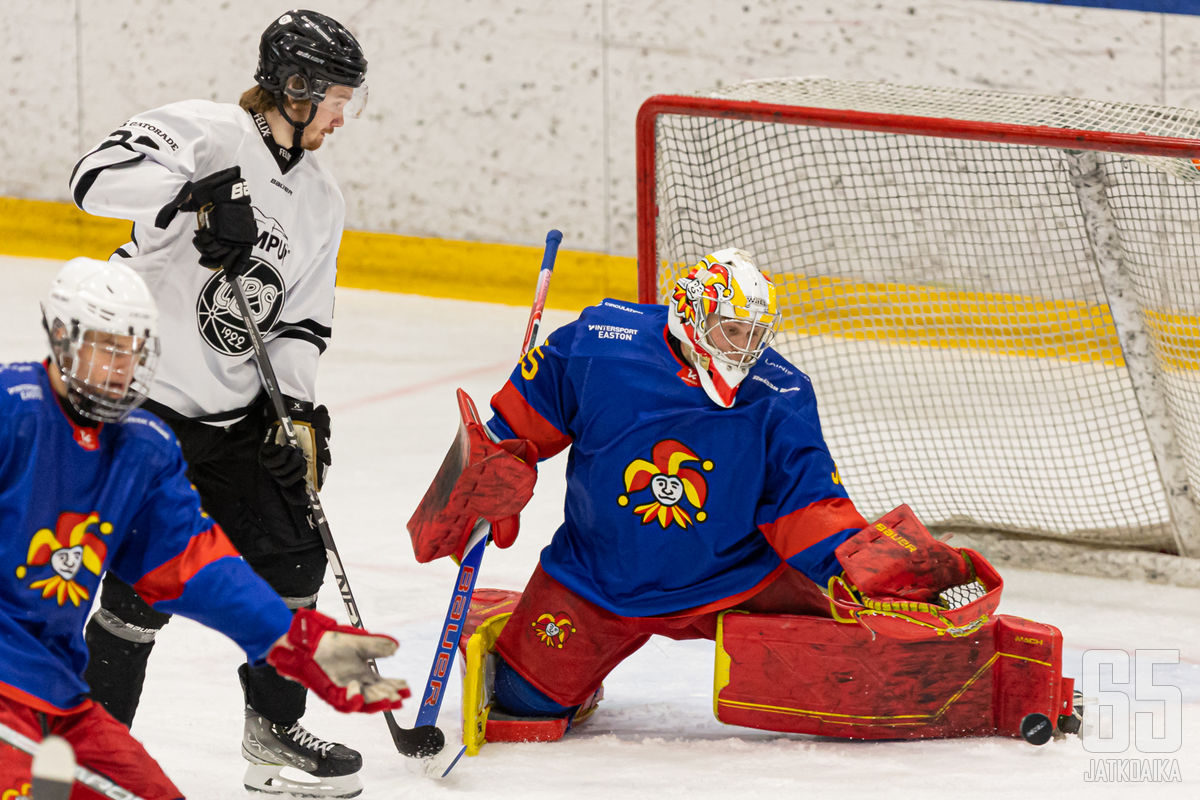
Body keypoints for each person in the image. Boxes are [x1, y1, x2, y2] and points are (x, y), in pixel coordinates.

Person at [409, 248, 993, 743]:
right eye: (731, 331)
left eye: (755, 335)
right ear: (689, 317)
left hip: (740, 582)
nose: (743, 350)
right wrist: (496, 466)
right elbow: (517, 423)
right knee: (524, 707)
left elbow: (806, 503)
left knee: (866, 673)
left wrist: (856, 570)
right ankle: (518, 625)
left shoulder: (778, 392)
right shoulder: (595, 346)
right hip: (598, 582)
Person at [68, 9, 374, 795]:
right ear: (296, 87)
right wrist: (197, 191)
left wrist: (296, 413)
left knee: (295, 563)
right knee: (140, 591)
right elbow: (91, 183)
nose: (344, 117)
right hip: (152, 411)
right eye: (338, 99)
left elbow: (301, 320)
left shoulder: (322, 198)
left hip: (241, 418)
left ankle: (273, 737)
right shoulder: (201, 131)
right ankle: (95, 758)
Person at [0, 257, 409, 799]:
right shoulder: (11, 414)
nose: (121, 367)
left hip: (56, 695)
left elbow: (194, 569)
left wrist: (297, 642)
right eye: (106, 346)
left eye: (133, 349)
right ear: (60, 337)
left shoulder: (142, 448)